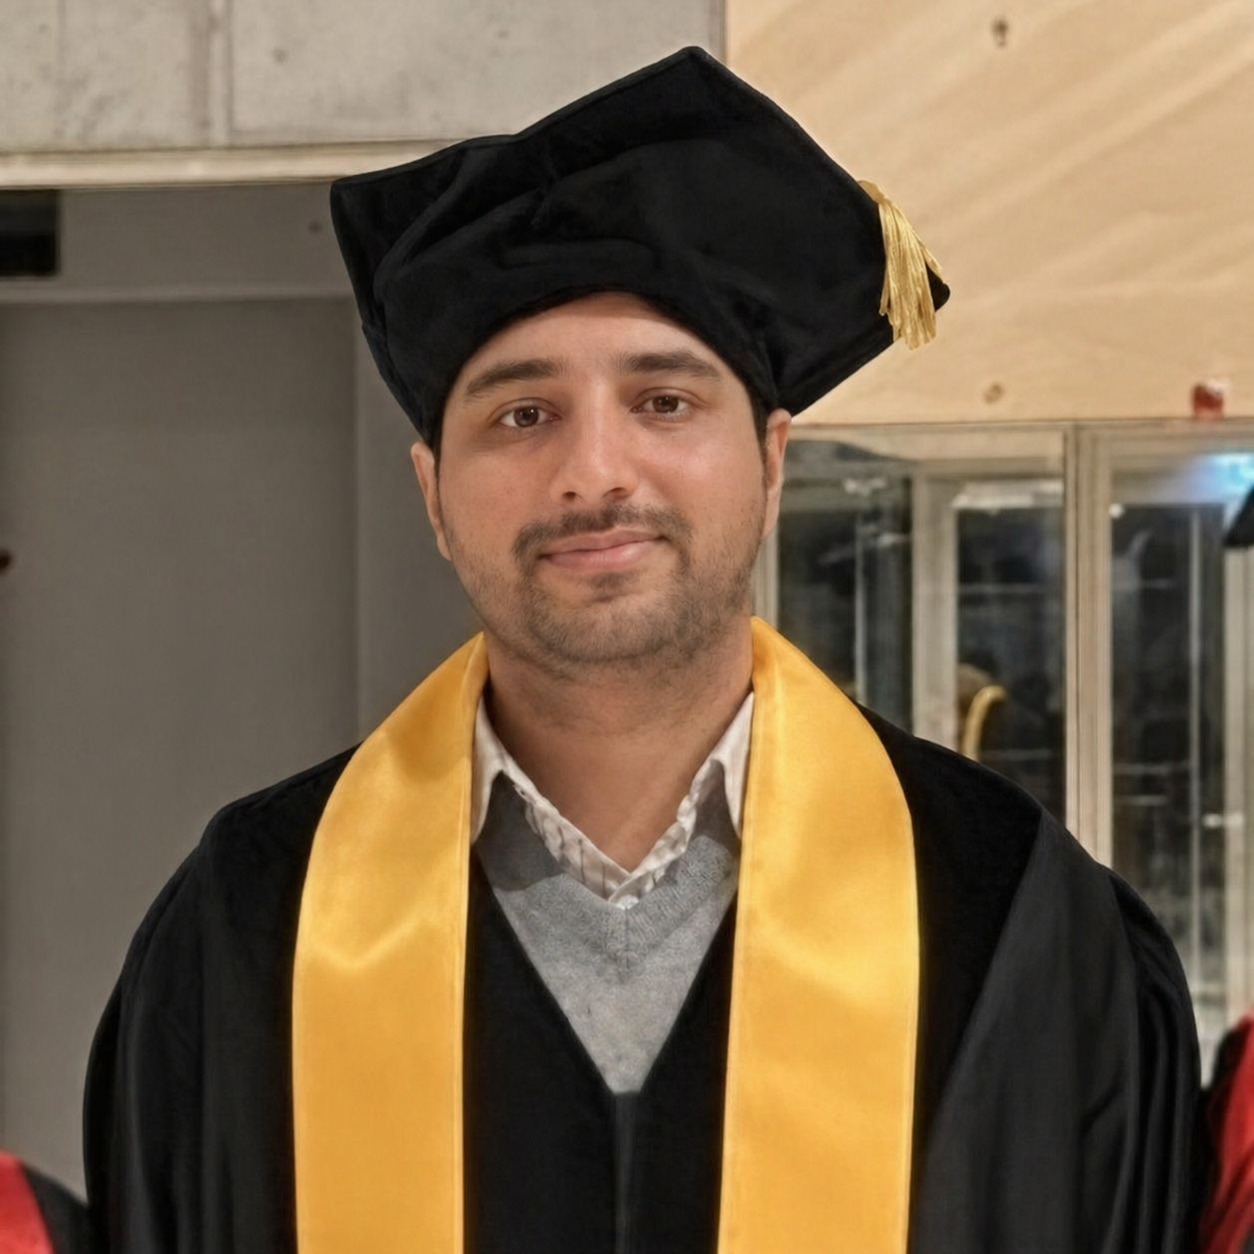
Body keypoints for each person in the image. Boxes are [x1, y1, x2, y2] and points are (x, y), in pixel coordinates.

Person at [83, 47, 1200, 1254]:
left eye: (665, 402)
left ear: (772, 462)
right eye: (522, 414)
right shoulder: (256, 926)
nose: (595, 470)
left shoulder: (1008, 912)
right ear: (434, 495)